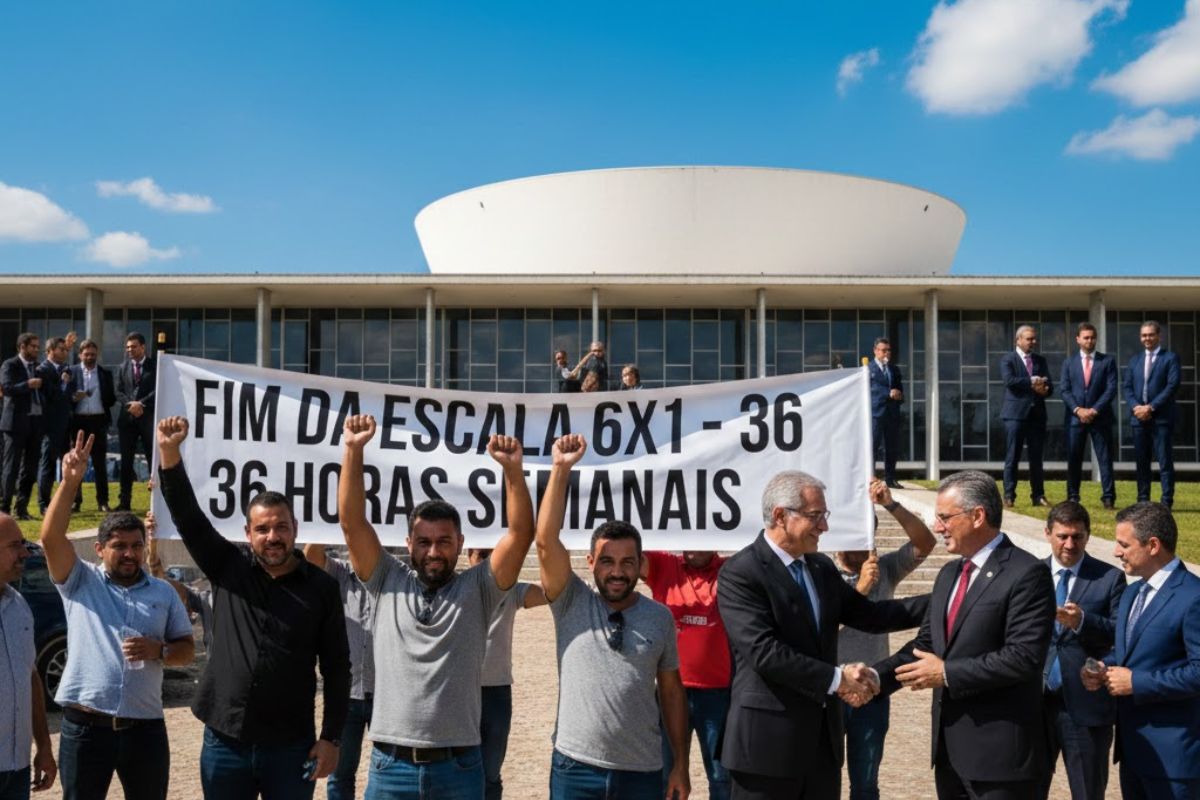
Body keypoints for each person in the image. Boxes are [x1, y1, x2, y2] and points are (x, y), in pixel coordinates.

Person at [336, 414, 534, 800]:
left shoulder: (479, 588)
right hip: (391, 767)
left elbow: (521, 534)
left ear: (460, 542)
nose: (433, 551)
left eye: (444, 541)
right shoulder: (386, 579)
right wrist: (353, 449)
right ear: (408, 543)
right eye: (424, 542)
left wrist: (513, 471)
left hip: (458, 768)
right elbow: (351, 522)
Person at [156, 416, 350, 799]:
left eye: (281, 527)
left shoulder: (322, 588)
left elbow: (337, 669)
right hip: (226, 742)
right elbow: (188, 517)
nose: (272, 537)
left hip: (291, 747)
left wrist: (331, 738)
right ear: (248, 534)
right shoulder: (228, 567)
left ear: (295, 527)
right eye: (262, 529)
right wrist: (169, 453)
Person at [717, 470, 928, 800]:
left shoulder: (820, 568)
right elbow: (764, 653)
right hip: (765, 750)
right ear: (780, 516)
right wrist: (838, 679)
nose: (825, 527)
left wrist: (942, 600)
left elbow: (870, 616)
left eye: (824, 516)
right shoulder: (742, 572)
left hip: (821, 750)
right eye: (815, 516)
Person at [874, 469, 1056, 800]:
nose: (937, 527)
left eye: (944, 517)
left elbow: (1023, 658)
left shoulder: (1027, 573)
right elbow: (926, 647)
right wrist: (875, 678)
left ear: (977, 516)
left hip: (1002, 763)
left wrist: (945, 672)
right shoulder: (949, 573)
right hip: (951, 759)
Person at [39, 432, 194, 800]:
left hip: (145, 730)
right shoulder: (80, 580)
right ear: (98, 549)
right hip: (85, 728)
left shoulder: (162, 591)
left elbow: (186, 648)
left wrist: (159, 651)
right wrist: (70, 482)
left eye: (136, 546)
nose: (130, 554)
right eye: (119, 546)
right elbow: (49, 538)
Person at [534, 433, 690, 800]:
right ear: (590, 564)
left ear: (641, 565)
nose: (617, 572)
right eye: (606, 561)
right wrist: (560, 468)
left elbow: (671, 692)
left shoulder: (660, 617)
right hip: (575, 769)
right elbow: (544, 541)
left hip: (642, 772)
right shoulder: (571, 600)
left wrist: (680, 763)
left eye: (627, 562)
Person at [1082, 502, 1200, 799]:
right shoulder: (1133, 591)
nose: (1115, 552)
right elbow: (1129, 654)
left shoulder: (1193, 597)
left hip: (1176, 761)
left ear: (1153, 545)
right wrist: (1102, 667)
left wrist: (1136, 682)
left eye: (1123, 544)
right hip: (1134, 753)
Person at [835, 479, 936, 800]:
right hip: (831, 688)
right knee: (821, 778)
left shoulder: (885, 568)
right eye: (855, 540)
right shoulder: (823, 570)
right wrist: (861, 589)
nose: (863, 549)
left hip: (872, 690)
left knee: (866, 784)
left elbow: (925, 543)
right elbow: (821, 626)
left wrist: (891, 505)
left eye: (868, 540)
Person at [1038, 500, 1124, 800]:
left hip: (1086, 706)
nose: (1070, 544)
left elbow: (1122, 635)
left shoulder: (1109, 578)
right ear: (1048, 533)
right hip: (1034, 704)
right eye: (1063, 536)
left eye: (1078, 536)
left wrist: (1082, 622)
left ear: (1088, 535)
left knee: (1087, 792)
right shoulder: (1030, 574)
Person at [641, 548, 730, 800]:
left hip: (718, 692)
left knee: (722, 777)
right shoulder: (663, 564)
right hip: (669, 690)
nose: (696, 546)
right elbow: (628, 552)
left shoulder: (730, 569)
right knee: (664, 776)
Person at [467, 547, 547, 800]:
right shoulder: (454, 588)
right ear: (469, 556)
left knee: (491, 771)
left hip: (497, 691)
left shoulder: (511, 590)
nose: (489, 561)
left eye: (493, 553)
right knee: (456, 770)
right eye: (482, 555)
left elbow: (550, 591)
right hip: (459, 691)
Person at [302, 543, 376, 800]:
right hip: (349, 697)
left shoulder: (393, 577)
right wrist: (327, 524)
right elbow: (310, 557)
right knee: (341, 776)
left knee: (391, 774)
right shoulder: (340, 573)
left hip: (387, 696)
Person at [0, 512, 56, 799]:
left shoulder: (19, 605)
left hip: (16, 769)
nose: (25, 552)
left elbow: (30, 676)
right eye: (14, 546)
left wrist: (44, 745)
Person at [1122, 321, 1181, 508]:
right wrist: (1136, 408)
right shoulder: (1135, 360)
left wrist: (1151, 407)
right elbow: (1127, 387)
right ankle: (1143, 500)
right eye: (1144, 335)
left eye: (1150, 335)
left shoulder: (1170, 358)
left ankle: (1166, 501)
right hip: (1139, 419)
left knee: (1164, 462)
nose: (1147, 338)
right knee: (1142, 462)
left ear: (1159, 336)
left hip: (1161, 418)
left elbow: (1172, 386)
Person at [1059, 322, 1117, 510]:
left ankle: (1108, 497)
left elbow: (1111, 389)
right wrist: (1078, 410)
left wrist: (1093, 410)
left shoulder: (1107, 361)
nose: (1090, 340)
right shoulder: (1069, 363)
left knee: (1104, 459)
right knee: (1074, 458)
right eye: (1086, 337)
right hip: (1075, 418)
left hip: (1100, 418)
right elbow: (1065, 390)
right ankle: (1073, 496)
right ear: (1078, 339)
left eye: (1092, 337)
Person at [1000, 325, 1052, 508]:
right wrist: (1032, 382)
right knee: (1012, 455)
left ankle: (1038, 495)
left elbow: (1049, 386)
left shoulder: (1040, 360)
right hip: (1015, 415)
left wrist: (1044, 389)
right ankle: (1008, 495)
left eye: (1034, 339)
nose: (1033, 342)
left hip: (1037, 415)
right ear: (1018, 340)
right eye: (1029, 339)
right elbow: (1010, 381)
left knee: (1036, 457)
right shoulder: (1008, 359)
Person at [1, 333, 47, 521]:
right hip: (15, 423)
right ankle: (4, 509)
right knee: (11, 467)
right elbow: (7, 388)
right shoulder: (9, 365)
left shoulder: (38, 367)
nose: (36, 350)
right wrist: (27, 384)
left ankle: (22, 508)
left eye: (38, 347)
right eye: (33, 347)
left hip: (35, 423)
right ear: (22, 346)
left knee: (30, 468)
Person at [68, 339, 116, 513]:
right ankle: (76, 501)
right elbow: (64, 395)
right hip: (78, 422)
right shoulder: (72, 372)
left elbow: (111, 399)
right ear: (80, 355)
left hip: (98, 421)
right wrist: (75, 397)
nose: (90, 358)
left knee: (99, 463)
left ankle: (102, 501)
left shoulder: (104, 374)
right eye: (87, 354)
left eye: (93, 355)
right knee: (77, 462)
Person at [114, 333, 155, 512]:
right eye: (128, 347)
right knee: (126, 462)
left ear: (143, 347)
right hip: (127, 421)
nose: (130, 350)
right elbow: (118, 391)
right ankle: (124, 502)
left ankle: (157, 502)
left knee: (153, 461)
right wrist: (130, 404)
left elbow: (158, 389)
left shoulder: (154, 366)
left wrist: (141, 403)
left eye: (134, 346)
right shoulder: (122, 368)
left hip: (147, 419)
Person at [35, 334, 75, 516]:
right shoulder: (42, 370)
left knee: (66, 464)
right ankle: (44, 503)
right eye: (61, 349)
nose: (65, 352)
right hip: (50, 425)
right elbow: (53, 395)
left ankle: (64, 502)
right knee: (48, 464)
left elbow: (67, 395)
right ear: (50, 351)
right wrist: (65, 383)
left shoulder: (65, 368)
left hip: (65, 423)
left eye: (66, 350)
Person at [868, 338, 904, 489]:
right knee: (873, 447)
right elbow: (870, 389)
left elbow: (900, 390)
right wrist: (888, 393)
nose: (886, 353)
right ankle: (870, 477)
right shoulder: (868, 369)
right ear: (875, 351)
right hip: (875, 413)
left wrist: (898, 394)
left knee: (892, 447)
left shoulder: (894, 369)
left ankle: (890, 478)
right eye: (883, 350)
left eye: (888, 350)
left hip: (892, 413)